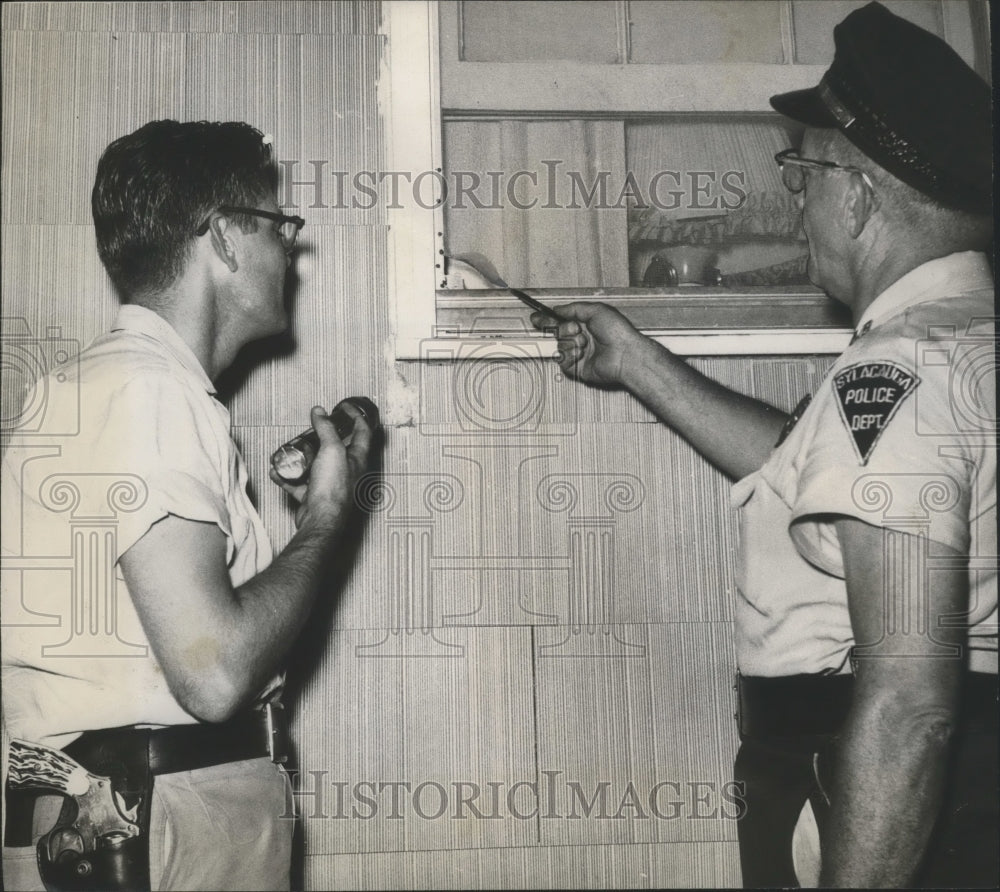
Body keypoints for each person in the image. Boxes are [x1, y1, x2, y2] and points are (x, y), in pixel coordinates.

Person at [532, 3, 996, 887]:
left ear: (858, 197)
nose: (796, 199)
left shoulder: (901, 369)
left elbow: (908, 704)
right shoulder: (959, 349)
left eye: (804, 175)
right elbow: (806, 474)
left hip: (863, 777)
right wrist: (637, 362)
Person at [1, 120, 374, 890]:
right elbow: (215, 673)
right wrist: (329, 515)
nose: (290, 251)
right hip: (166, 817)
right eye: (278, 226)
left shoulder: (100, 387)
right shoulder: (153, 394)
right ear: (227, 241)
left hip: (125, 814)